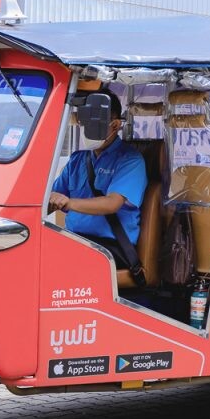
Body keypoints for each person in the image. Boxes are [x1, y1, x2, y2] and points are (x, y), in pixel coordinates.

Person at [49, 92, 148, 280]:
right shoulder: (78, 160)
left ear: (116, 125)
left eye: (95, 124)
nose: (88, 128)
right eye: (85, 122)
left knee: (55, 268)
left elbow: (112, 204)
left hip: (110, 248)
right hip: (73, 240)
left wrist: (68, 203)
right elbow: (53, 196)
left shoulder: (130, 160)